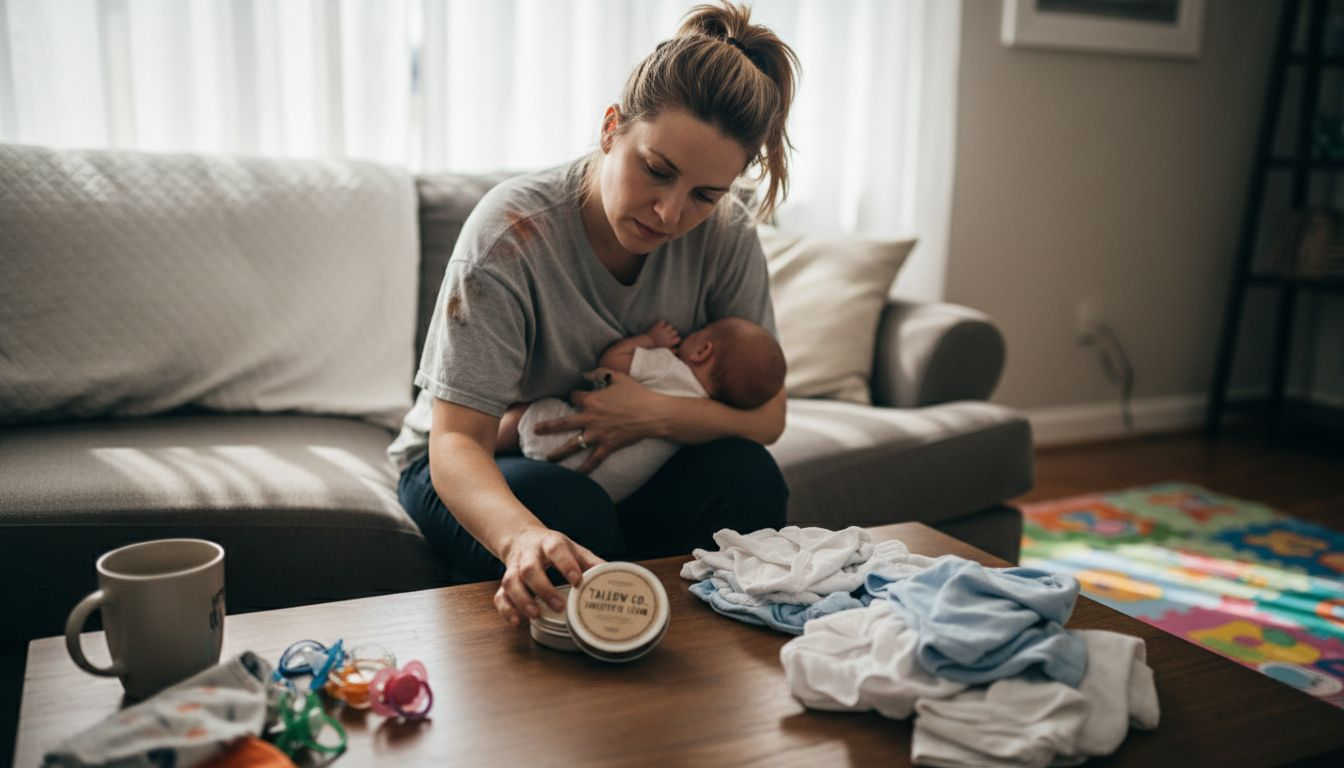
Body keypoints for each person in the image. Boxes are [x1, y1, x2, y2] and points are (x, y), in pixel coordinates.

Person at [388, 0, 801, 629]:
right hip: (477, 468)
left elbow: (766, 416)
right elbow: (454, 444)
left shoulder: (726, 237)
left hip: (623, 467)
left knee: (750, 480)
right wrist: (520, 539)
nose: (669, 213)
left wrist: (653, 413)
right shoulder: (513, 233)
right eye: (656, 171)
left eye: (704, 195)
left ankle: (664, 636)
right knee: (565, 511)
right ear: (611, 128)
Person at [498, 316, 787, 503]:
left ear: (702, 351)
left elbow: (612, 361)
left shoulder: (667, 367)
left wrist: (649, 341)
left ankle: (485, 445)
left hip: (554, 441)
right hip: (611, 491)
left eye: (697, 332)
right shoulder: (705, 420)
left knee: (524, 414)